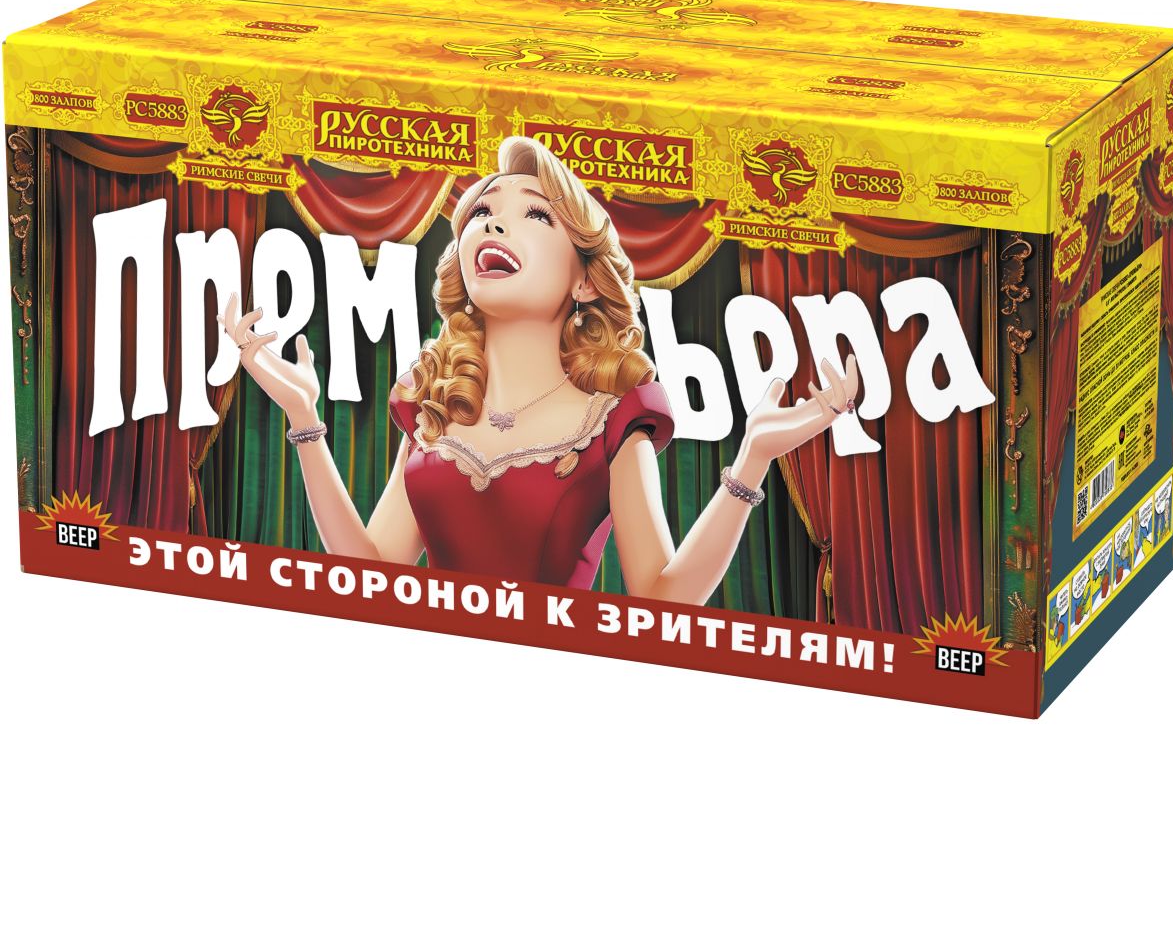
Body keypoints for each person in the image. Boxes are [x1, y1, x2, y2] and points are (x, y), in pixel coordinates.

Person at [220, 136, 858, 606]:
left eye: (535, 214)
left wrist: (752, 459)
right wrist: (305, 421)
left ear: (585, 281)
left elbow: (662, 598)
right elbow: (373, 573)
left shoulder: (615, 416)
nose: (494, 221)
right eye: (481, 213)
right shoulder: (435, 401)